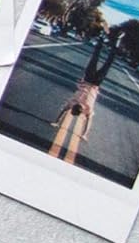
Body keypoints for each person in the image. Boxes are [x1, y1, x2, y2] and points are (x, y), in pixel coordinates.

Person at [47, 26, 120, 163]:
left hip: (88, 79)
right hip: (95, 82)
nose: (80, 106)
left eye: (78, 107)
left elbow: (63, 112)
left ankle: (102, 38)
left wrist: (57, 122)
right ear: (80, 110)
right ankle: (115, 43)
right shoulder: (86, 108)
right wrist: (84, 134)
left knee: (95, 58)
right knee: (107, 63)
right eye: (80, 108)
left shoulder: (73, 103)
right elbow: (88, 122)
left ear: (75, 107)